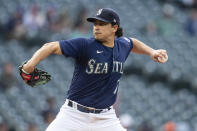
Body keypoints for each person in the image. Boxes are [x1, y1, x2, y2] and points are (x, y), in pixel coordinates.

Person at [21, 8, 168, 131]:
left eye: (102, 24)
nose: (96, 27)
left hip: (105, 118)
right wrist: (29, 65)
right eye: (95, 23)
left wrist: (152, 52)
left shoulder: (122, 45)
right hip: (73, 114)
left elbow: (133, 43)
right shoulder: (85, 44)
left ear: (114, 28)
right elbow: (50, 46)